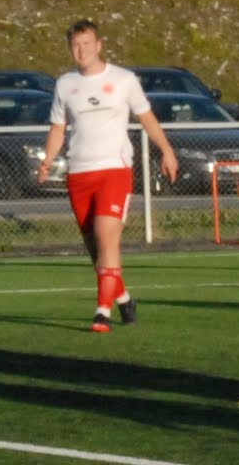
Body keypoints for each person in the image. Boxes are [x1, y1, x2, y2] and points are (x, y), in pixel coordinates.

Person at [41, 20, 180, 330]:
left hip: (114, 170)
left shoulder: (123, 79)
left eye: (86, 44)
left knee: (107, 239)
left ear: (99, 45)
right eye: (75, 45)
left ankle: (102, 312)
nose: (81, 51)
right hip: (79, 173)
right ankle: (124, 300)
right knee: (96, 251)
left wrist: (166, 150)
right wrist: (48, 160)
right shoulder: (65, 84)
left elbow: (146, 117)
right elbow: (58, 127)